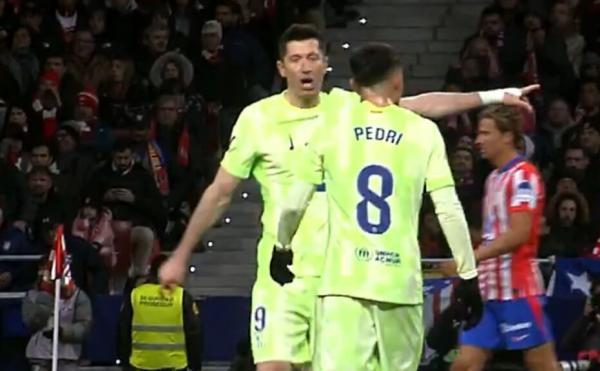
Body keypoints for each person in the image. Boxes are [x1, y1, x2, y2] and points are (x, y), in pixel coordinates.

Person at [158, 24, 539, 371]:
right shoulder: (258, 119)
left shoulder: (344, 108)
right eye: (295, 59)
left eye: (313, 57)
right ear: (280, 68)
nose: (305, 66)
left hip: (337, 278)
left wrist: (495, 95)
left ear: (326, 64)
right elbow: (221, 191)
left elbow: (418, 104)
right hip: (283, 276)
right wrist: (181, 254)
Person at [273, 42, 482, 371]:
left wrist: (281, 245)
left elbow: (293, 202)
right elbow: (448, 207)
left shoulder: (329, 126)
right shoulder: (423, 132)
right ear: (398, 81)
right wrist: (468, 274)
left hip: (343, 284)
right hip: (399, 284)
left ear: (354, 86)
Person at [450, 105, 559, 371]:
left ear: (508, 136)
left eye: (486, 133)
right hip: (487, 289)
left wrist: (471, 257)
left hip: (518, 289)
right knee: (466, 363)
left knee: (540, 363)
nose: (478, 140)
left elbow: (519, 233)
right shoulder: (493, 179)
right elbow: (493, 235)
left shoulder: (523, 176)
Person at [117, 255, 202, 371]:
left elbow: (123, 331)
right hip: (174, 365)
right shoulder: (181, 296)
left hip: (139, 365)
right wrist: (195, 365)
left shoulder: (135, 295)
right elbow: (194, 334)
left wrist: (125, 363)